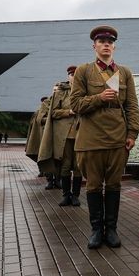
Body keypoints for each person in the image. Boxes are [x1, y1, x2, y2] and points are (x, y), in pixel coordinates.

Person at [70, 25, 139, 249]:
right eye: (101, 41)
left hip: (117, 139)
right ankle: (95, 230)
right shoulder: (83, 71)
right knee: (92, 186)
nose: (106, 44)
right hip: (90, 140)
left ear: (114, 46)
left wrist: (132, 133)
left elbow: (132, 106)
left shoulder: (125, 73)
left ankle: (111, 230)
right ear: (94, 46)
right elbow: (75, 105)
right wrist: (99, 97)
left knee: (113, 186)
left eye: (110, 41)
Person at [39, 66, 83, 207]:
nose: (73, 77)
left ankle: (75, 196)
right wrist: (68, 112)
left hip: (81, 135)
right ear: (68, 77)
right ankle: (65, 195)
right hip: (64, 136)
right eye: (71, 74)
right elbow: (53, 113)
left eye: (75, 74)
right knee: (64, 166)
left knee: (78, 167)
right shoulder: (61, 92)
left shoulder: (84, 91)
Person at [26, 96, 52, 184]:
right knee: (40, 155)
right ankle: (43, 172)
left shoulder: (48, 110)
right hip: (39, 137)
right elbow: (33, 125)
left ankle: (51, 177)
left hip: (47, 136)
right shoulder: (37, 112)